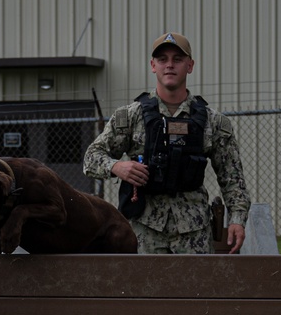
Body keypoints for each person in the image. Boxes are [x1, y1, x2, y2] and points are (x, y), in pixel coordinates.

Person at [83, 32, 250, 254]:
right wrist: (116, 166)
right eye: (162, 59)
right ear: (153, 65)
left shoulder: (213, 122)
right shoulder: (130, 117)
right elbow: (91, 157)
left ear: (190, 66)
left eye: (177, 59)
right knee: (144, 288)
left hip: (194, 233)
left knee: (195, 289)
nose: (169, 65)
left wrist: (237, 219)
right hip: (143, 230)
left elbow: (232, 177)